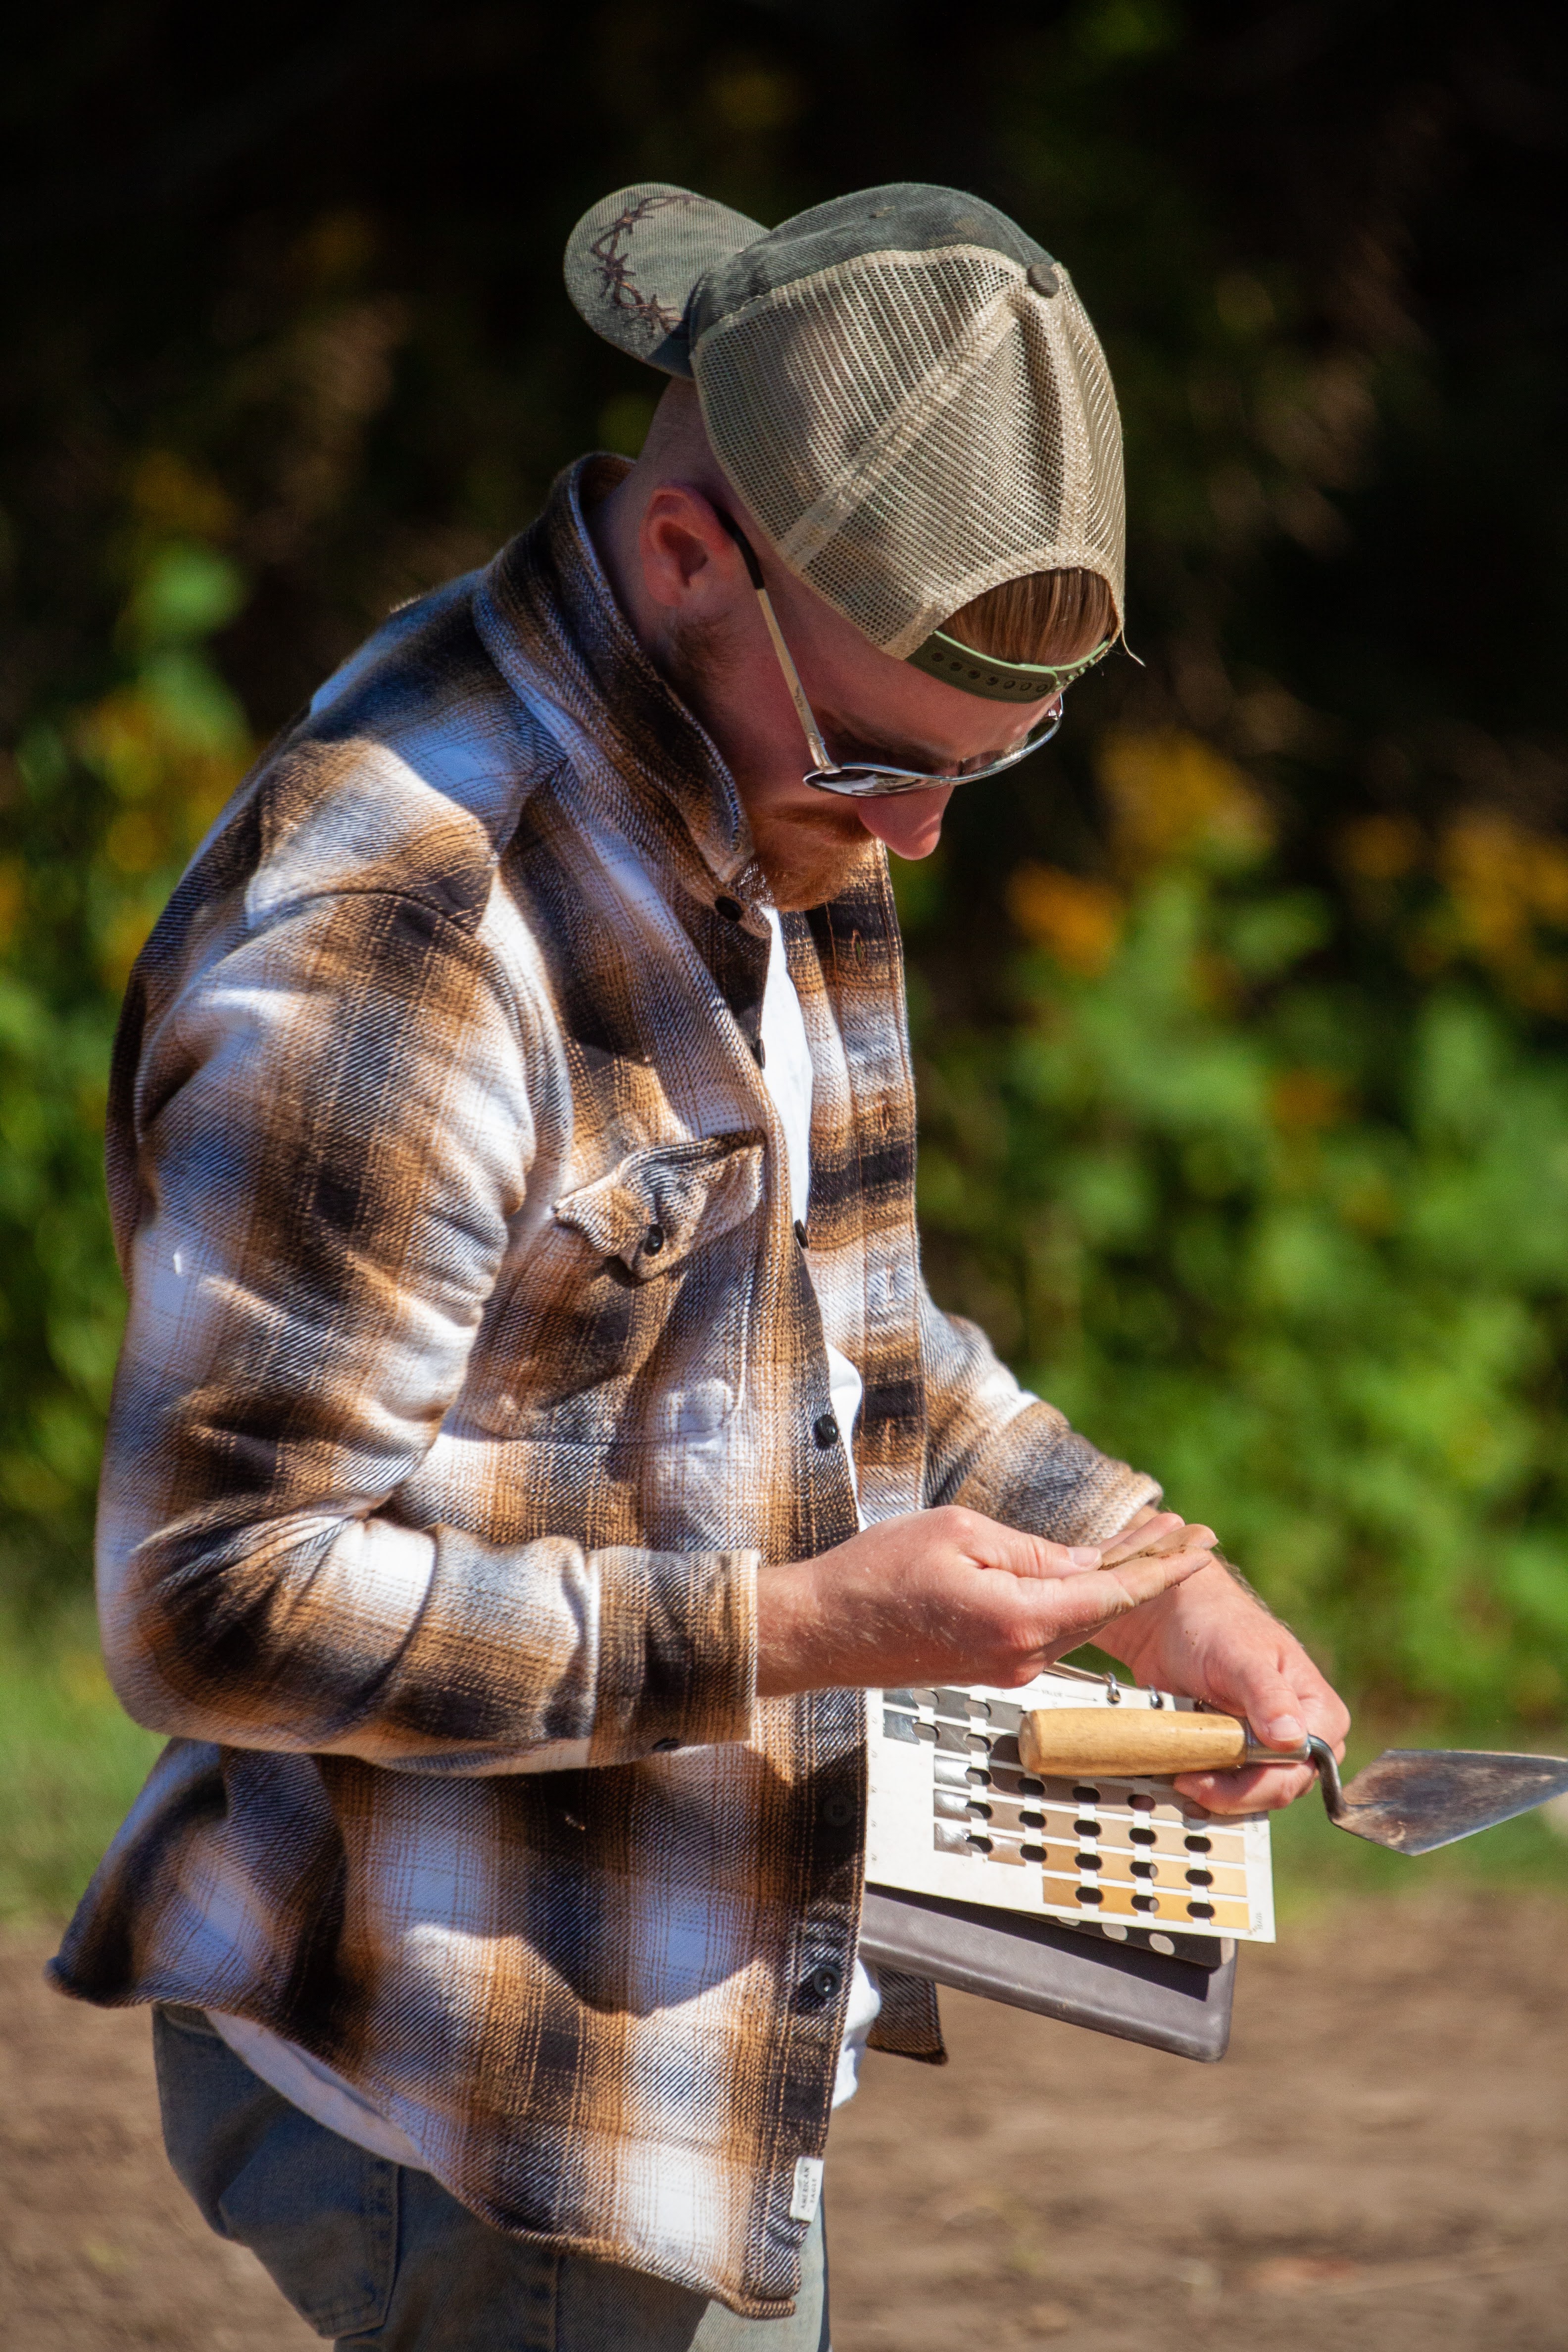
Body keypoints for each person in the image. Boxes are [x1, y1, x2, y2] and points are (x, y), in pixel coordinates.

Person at [52, 181, 1349, 2349]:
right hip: (470, 2112)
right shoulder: (407, 944)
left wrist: (1154, 1574)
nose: (926, 837)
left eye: (994, 763)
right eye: (890, 761)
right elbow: (211, 1605)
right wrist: (796, 1629)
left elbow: (853, 1332)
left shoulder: (779, 775)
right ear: (688, 562)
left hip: (689, 2063)